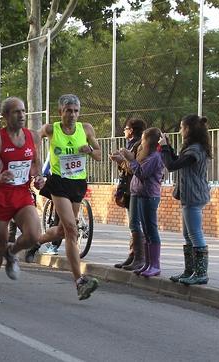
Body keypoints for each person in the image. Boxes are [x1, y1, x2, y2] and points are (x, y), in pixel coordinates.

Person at [0, 98, 44, 303]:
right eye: (16, 112)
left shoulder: (33, 136)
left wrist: (38, 177)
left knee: (33, 236)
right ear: (5, 116)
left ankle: (12, 253)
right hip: (0, 196)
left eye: (23, 111)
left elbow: (35, 164)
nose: (21, 115)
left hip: (22, 193)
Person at [37, 94, 102, 300]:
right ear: (60, 112)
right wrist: (36, 170)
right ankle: (79, 281)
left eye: (75, 111)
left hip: (78, 183)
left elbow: (100, 155)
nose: (72, 115)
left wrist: (90, 150)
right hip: (59, 183)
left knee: (64, 231)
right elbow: (31, 141)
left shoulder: (87, 129)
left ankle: (35, 241)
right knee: (72, 230)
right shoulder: (51, 129)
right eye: (68, 111)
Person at [160, 115, 212, 285]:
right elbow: (176, 161)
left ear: (189, 129)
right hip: (190, 196)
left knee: (195, 234)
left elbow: (172, 165)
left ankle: (201, 273)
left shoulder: (195, 150)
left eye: (182, 127)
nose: (181, 130)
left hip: (194, 196)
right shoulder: (193, 148)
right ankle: (190, 271)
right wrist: (167, 147)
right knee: (187, 234)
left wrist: (165, 147)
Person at [113, 127, 165, 277]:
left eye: (143, 140)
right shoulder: (147, 155)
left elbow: (142, 173)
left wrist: (130, 159)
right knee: (147, 232)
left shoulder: (155, 157)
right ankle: (148, 263)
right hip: (140, 194)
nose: (141, 143)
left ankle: (154, 264)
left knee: (151, 230)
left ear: (149, 141)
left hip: (149, 196)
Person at [110, 119, 146, 270]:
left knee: (135, 224)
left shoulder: (138, 146)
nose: (124, 131)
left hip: (135, 189)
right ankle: (133, 255)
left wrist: (120, 161)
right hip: (129, 188)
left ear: (131, 130)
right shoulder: (131, 145)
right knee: (133, 224)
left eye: (125, 128)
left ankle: (139, 257)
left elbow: (135, 168)